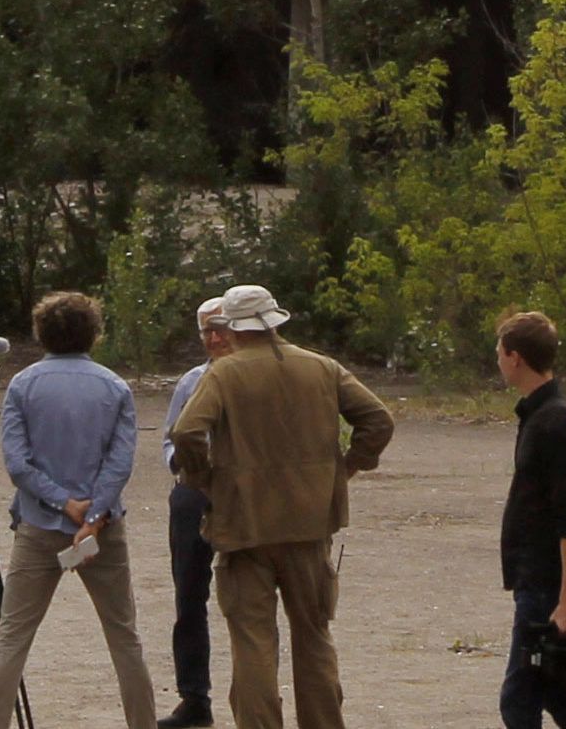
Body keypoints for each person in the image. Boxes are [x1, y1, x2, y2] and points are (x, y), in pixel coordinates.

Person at [164, 285, 394, 729]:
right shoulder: (323, 368)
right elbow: (378, 419)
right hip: (309, 527)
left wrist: (204, 480)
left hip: (244, 528)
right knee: (314, 639)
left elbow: (187, 432)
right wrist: (346, 468)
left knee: (253, 643)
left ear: (233, 326)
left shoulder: (224, 374)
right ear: (274, 320)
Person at [0, 291, 158, 729]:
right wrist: (93, 514)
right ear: (93, 333)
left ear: (42, 333)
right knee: (124, 637)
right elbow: (121, 459)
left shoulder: (23, 385)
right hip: (101, 528)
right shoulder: (113, 387)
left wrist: (61, 502)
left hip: (39, 523)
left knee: (12, 639)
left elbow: (18, 462)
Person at [492, 311, 566, 729]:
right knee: (559, 693)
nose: (498, 361)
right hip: (534, 579)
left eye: (500, 353)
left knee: (518, 701)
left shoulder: (556, 421)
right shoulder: (538, 416)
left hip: (547, 585)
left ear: (515, 357)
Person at [158, 299, 236, 728]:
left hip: (242, 493)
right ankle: (194, 698)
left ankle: (253, 694)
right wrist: (183, 464)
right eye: (206, 331)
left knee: (247, 594)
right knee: (189, 595)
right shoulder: (191, 381)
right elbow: (172, 438)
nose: (214, 338)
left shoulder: (254, 377)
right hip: (193, 490)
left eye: (220, 328)